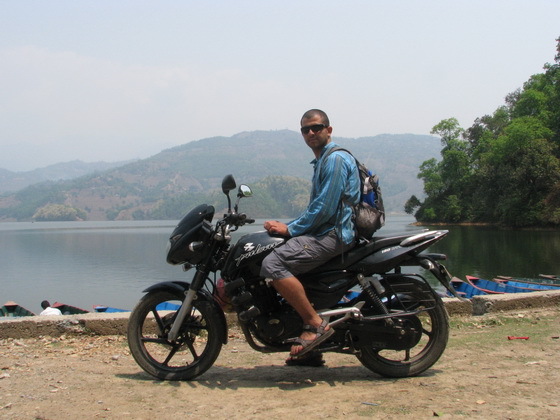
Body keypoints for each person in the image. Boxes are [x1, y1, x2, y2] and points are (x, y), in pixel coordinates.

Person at [260, 109, 360, 364]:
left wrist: (290, 229)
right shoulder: (323, 160)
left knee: (273, 264)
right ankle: (311, 350)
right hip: (326, 232)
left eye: (317, 127)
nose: (311, 133)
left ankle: (315, 324)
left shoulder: (335, 160)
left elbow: (324, 208)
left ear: (329, 129)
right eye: (306, 129)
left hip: (334, 234)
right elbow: (318, 208)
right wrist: (289, 227)